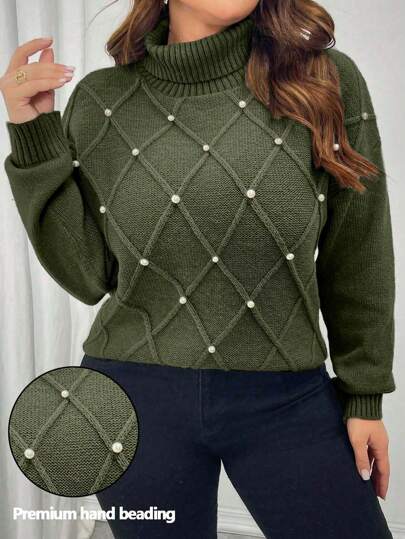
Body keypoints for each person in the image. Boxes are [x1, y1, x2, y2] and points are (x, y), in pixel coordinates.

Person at [1, 0, 396, 537]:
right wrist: (31, 132)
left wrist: (364, 395)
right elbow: (89, 276)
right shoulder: (101, 101)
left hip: (288, 398)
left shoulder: (324, 81)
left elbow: (358, 249)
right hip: (131, 403)